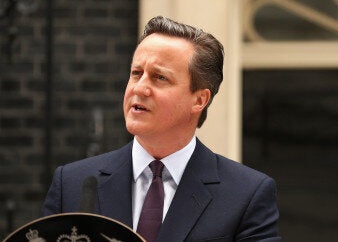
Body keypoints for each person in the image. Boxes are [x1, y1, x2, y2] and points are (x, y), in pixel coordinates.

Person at [41, 16, 280, 241]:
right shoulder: (72, 183)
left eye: (159, 78)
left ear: (199, 100)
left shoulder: (247, 194)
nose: (139, 88)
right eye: (136, 73)